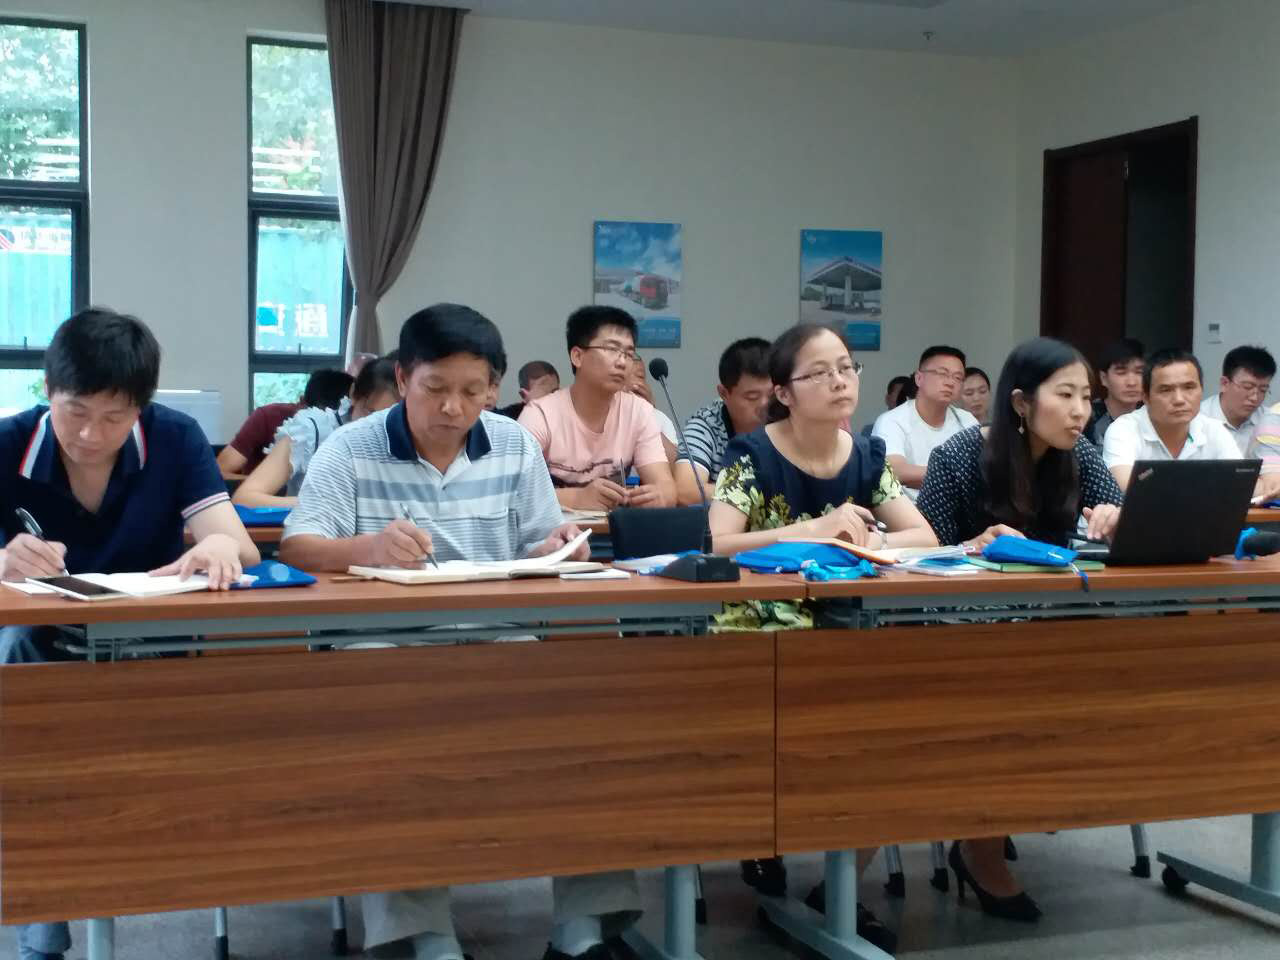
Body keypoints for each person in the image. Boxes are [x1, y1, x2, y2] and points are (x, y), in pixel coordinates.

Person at [278, 304, 639, 960]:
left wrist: (556, 545)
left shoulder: (513, 444)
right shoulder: (350, 448)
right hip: (383, 640)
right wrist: (367, 549)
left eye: (473, 392)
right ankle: (422, 937)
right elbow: (298, 547)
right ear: (402, 378)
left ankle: (584, 929)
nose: (453, 408)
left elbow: (539, 541)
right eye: (436, 388)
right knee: (394, 733)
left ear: (495, 388)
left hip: (494, 635)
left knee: (584, 712)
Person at [0, 308, 261, 960]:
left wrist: (218, 549)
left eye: (115, 417)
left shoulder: (174, 438)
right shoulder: (6, 444)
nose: (91, 434)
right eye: (75, 412)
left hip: (152, 650)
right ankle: (43, 926)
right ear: (47, 390)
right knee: (36, 744)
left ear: (141, 407)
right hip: (40, 651)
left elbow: (240, 544)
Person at [709, 322, 936, 955]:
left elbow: (922, 535)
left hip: (848, 630)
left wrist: (868, 538)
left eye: (846, 367)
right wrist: (810, 529)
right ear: (783, 392)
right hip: (757, 636)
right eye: (820, 372)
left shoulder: (864, 455)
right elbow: (718, 543)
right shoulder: (751, 456)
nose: (840, 381)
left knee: (899, 743)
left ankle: (835, 892)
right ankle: (764, 835)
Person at [916, 336, 1123, 923]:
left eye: (1086, 397)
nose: (1081, 411)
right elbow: (919, 556)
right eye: (1066, 395)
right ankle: (979, 848)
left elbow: (1116, 517)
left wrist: (1117, 518)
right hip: (955, 636)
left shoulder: (1080, 455)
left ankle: (1014, 810)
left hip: (1046, 628)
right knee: (1003, 702)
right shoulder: (961, 455)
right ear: (1021, 402)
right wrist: (971, 545)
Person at [518, 306, 674, 511]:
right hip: (555, 530)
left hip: (615, 530)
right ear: (577, 356)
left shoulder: (639, 412)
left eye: (629, 353)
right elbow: (513, 492)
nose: (622, 362)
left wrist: (658, 497)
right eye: (611, 349)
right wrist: (576, 498)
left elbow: (666, 488)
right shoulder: (540, 414)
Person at [1102, 348, 1280, 500]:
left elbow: (1244, 484)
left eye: (1189, 387)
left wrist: (1268, 487)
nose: (1179, 399)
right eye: (1166, 390)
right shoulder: (1123, 429)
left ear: (1201, 390)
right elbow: (1127, 485)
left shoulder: (1213, 429)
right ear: (1146, 397)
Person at [232, 356, 400, 508]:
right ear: (354, 394)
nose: (377, 428)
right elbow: (245, 498)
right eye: (371, 413)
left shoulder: (402, 438)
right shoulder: (311, 430)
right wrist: (323, 506)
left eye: (391, 420)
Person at [871, 345, 978, 500]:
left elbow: (982, 470)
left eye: (957, 377)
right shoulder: (891, 421)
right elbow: (895, 471)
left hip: (956, 508)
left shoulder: (966, 421)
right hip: (906, 509)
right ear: (919, 378)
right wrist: (954, 476)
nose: (950, 382)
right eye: (942, 373)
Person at [673, 337, 771, 506]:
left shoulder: (791, 416)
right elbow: (686, 491)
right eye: (752, 397)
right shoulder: (705, 425)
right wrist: (760, 493)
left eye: (772, 395)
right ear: (724, 393)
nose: (765, 405)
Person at [217, 368, 353, 478]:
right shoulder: (268, 417)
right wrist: (263, 484)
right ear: (301, 402)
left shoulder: (348, 434)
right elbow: (221, 472)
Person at [1201, 345, 1276, 455]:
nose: (1254, 398)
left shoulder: (1271, 421)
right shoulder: (1197, 419)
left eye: (1263, 390)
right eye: (1247, 387)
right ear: (1224, 384)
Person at [1084, 338, 1144, 445]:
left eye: (1139, 372)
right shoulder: (1087, 417)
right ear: (1104, 378)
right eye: (1121, 373)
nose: (1131, 382)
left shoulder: (1154, 416)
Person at [628, 354, 679, 463]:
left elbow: (674, 465)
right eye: (624, 377)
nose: (634, 384)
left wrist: (647, 417)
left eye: (640, 377)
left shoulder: (659, 418)